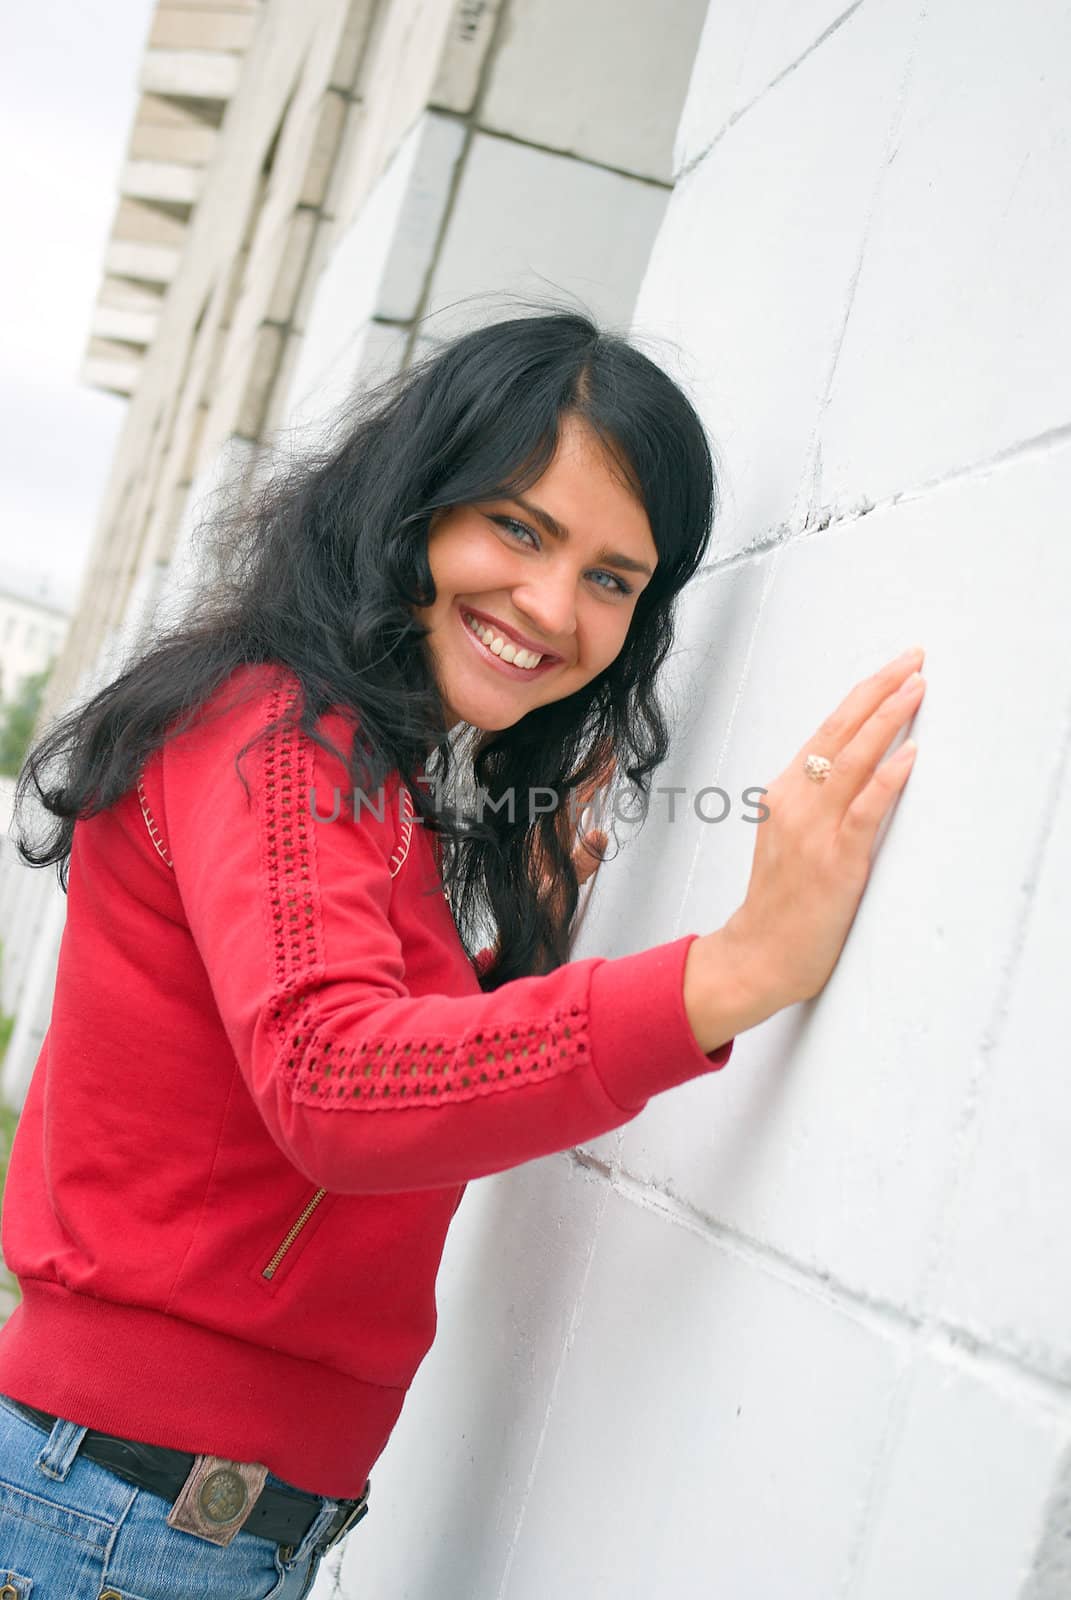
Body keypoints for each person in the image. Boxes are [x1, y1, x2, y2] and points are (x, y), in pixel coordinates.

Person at [0, 310, 925, 1599]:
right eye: (519, 528)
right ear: (412, 511)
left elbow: (310, 1123)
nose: (552, 604)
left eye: (614, 578)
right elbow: (332, 1079)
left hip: (168, 1512)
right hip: (122, 1513)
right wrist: (735, 967)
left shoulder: (370, 778)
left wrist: (517, 959)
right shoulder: (275, 729)